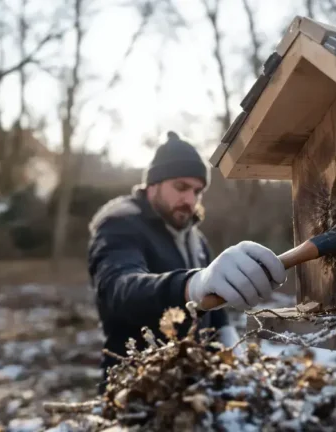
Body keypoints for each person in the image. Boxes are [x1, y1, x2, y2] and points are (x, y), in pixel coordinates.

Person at [87, 131, 286, 393]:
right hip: (133, 387)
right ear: (153, 184)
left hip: (191, 385)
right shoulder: (119, 226)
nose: (190, 200)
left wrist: (226, 334)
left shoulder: (196, 239)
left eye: (198, 191)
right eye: (180, 187)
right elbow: (119, 288)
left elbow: (212, 297)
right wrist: (192, 284)